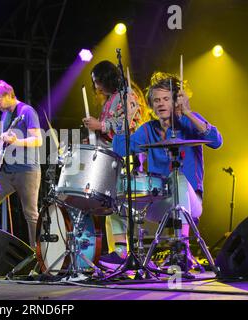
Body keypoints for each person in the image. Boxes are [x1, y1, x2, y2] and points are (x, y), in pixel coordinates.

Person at [113, 72, 223, 270]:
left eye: (165, 99)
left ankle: (181, 249)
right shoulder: (147, 130)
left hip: (191, 204)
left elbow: (216, 141)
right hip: (158, 204)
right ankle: (122, 254)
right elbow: (120, 149)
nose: (161, 103)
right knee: (115, 194)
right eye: (156, 100)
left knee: (177, 177)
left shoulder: (190, 122)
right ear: (151, 105)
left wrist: (188, 112)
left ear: (175, 101)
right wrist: (127, 119)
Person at [82, 60, 149, 269]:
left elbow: (127, 125)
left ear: (108, 78)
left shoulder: (127, 95)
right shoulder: (111, 99)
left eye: (98, 81)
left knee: (120, 205)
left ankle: (122, 254)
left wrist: (100, 125)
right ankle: (119, 254)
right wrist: (95, 139)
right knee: (113, 206)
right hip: (113, 156)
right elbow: (110, 134)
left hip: (127, 157)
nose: (96, 87)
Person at [0, 80, 42, 249]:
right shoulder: (5, 115)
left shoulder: (27, 111)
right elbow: (5, 140)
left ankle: (38, 257)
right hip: (6, 171)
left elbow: (38, 140)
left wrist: (17, 141)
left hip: (27, 171)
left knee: (31, 214)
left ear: (8, 95)